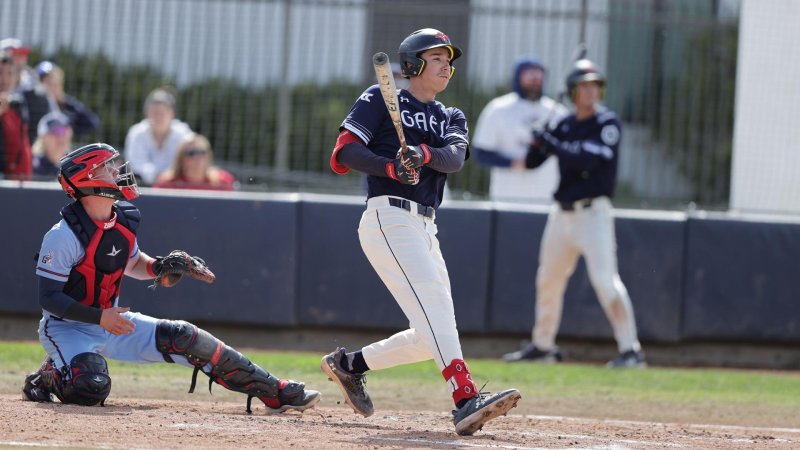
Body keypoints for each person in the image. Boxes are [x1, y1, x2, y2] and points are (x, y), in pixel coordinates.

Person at [22, 143, 320, 413]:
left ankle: (275, 392)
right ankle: (47, 376)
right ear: (89, 179)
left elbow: (135, 262)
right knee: (91, 386)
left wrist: (162, 266)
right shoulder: (63, 235)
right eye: (106, 167)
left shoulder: (121, 219)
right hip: (67, 328)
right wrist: (100, 317)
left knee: (186, 337)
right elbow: (48, 298)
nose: (117, 171)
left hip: (112, 320)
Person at [324, 28, 521, 436]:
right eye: (437, 57)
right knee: (434, 307)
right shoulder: (382, 97)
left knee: (432, 330)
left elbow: (453, 158)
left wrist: (422, 154)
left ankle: (349, 365)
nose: (447, 64)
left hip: (426, 225)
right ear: (413, 64)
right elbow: (344, 152)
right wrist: (391, 167)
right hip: (388, 218)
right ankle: (465, 399)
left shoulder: (452, 115)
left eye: (449, 58)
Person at [503, 58, 646, 368]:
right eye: (584, 86)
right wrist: (538, 141)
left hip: (593, 214)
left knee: (605, 282)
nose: (591, 91)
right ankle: (543, 346)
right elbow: (531, 163)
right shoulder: (565, 124)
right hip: (561, 215)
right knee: (548, 280)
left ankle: (630, 351)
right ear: (571, 91)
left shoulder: (607, 124)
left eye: (595, 86)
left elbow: (586, 161)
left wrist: (551, 141)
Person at [472, 56, 567, 203]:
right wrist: (515, 163)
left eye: (539, 74)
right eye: (529, 74)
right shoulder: (498, 109)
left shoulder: (558, 113)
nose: (535, 79)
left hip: (547, 198)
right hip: (506, 197)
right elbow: (481, 153)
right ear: (518, 76)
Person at [124, 87, 192, 185]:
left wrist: (166, 177)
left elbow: (188, 161)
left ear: (172, 113)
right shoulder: (136, 132)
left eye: (163, 112)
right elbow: (136, 164)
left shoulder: (183, 133)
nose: (158, 116)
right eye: (155, 112)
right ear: (146, 113)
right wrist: (163, 177)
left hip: (177, 186)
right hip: (143, 186)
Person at [36, 61, 100, 136]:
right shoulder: (34, 104)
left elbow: (92, 122)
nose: (49, 86)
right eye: (45, 81)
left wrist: (66, 129)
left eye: (53, 82)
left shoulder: (69, 106)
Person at [153, 133, 237, 191]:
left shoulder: (222, 182)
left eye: (202, 152)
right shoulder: (167, 184)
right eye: (191, 153)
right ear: (181, 159)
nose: (198, 157)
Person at [0, 51, 32, 180]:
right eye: (0, 73)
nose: (5, 79)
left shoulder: (17, 105)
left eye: (10, 73)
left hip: (19, 185)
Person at [32, 111, 72, 178]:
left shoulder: (71, 167)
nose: (61, 138)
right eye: (56, 132)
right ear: (43, 138)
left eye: (64, 131)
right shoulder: (33, 166)